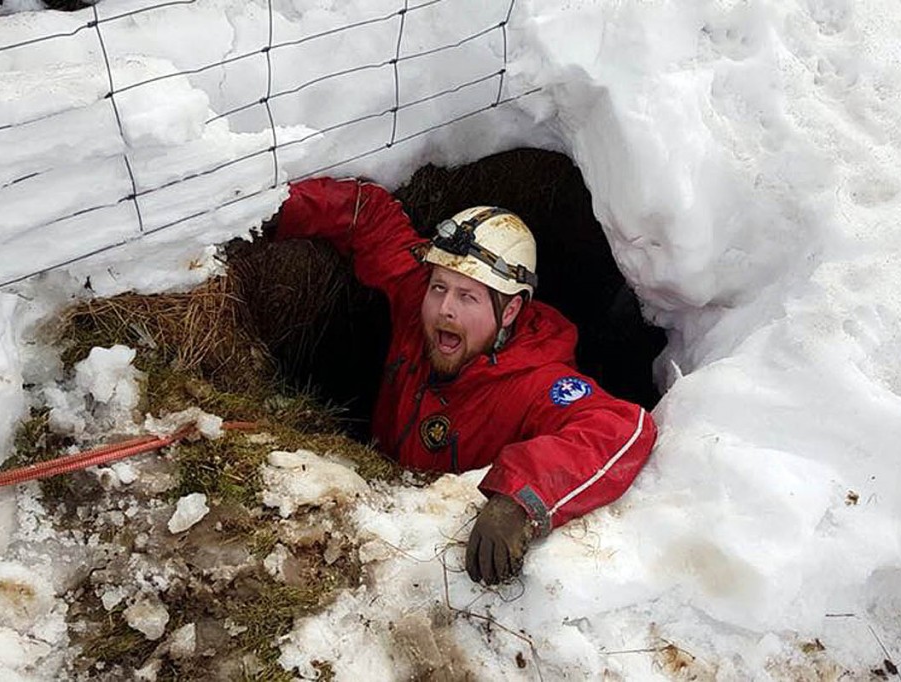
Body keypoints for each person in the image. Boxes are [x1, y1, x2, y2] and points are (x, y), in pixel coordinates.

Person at [269, 176, 657, 585]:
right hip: (377, 498)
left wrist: (519, 499)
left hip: (429, 552)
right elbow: (368, 216)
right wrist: (276, 208)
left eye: (468, 297)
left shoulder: (535, 382)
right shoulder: (421, 300)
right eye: (440, 287)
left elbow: (623, 428)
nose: (445, 309)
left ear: (510, 311)